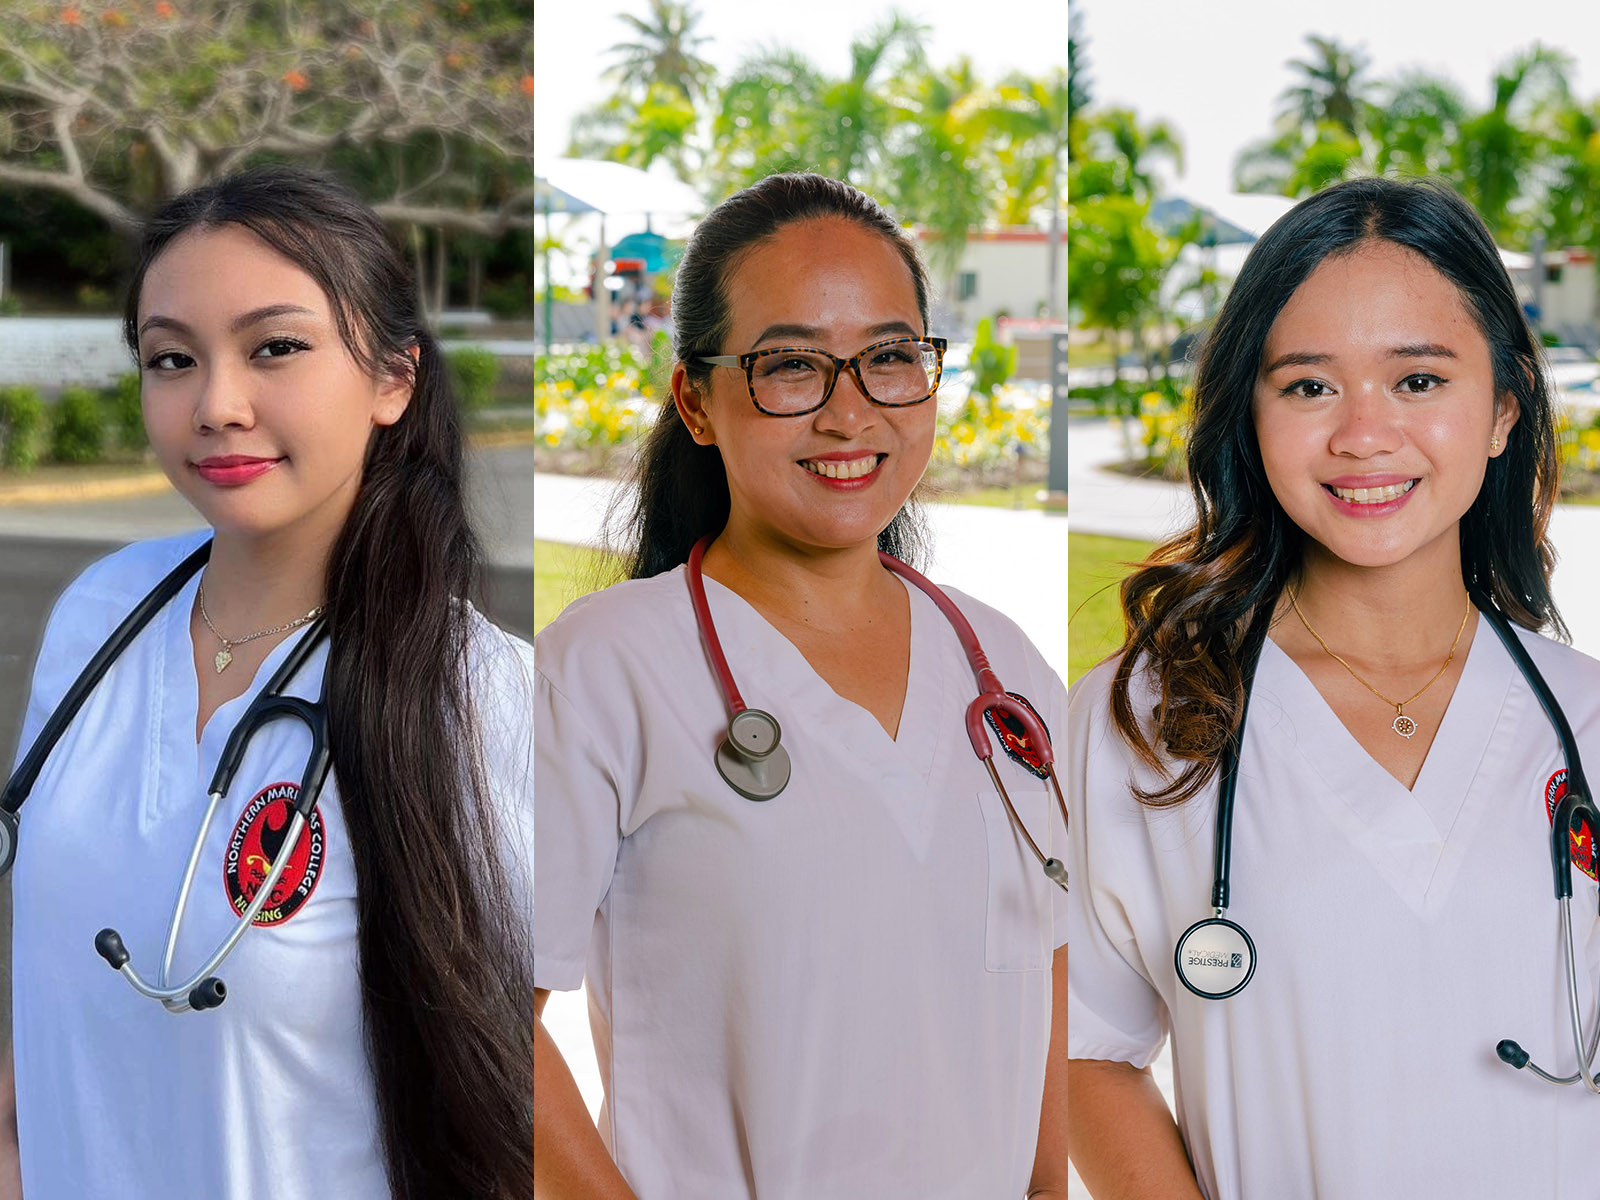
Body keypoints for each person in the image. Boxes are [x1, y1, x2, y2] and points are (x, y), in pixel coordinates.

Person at [0, 167, 534, 1199]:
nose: (216, 404)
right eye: (171, 359)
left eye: (275, 347)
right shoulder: (101, 613)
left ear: (393, 379)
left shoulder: (481, 698)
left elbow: (542, 1084)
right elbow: (58, 986)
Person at [533, 172, 1069, 1199]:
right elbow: (480, 1020)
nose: (849, 411)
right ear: (696, 398)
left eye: (888, 359)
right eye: (790, 367)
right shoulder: (606, 669)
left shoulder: (1003, 672)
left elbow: (1048, 985)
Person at [1067, 176, 1598, 1197]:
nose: (1361, 434)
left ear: (1501, 412)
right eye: (1308, 386)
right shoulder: (1144, 722)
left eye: (1417, 381)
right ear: (1250, 416)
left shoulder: (1584, 722)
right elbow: (1087, 1045)